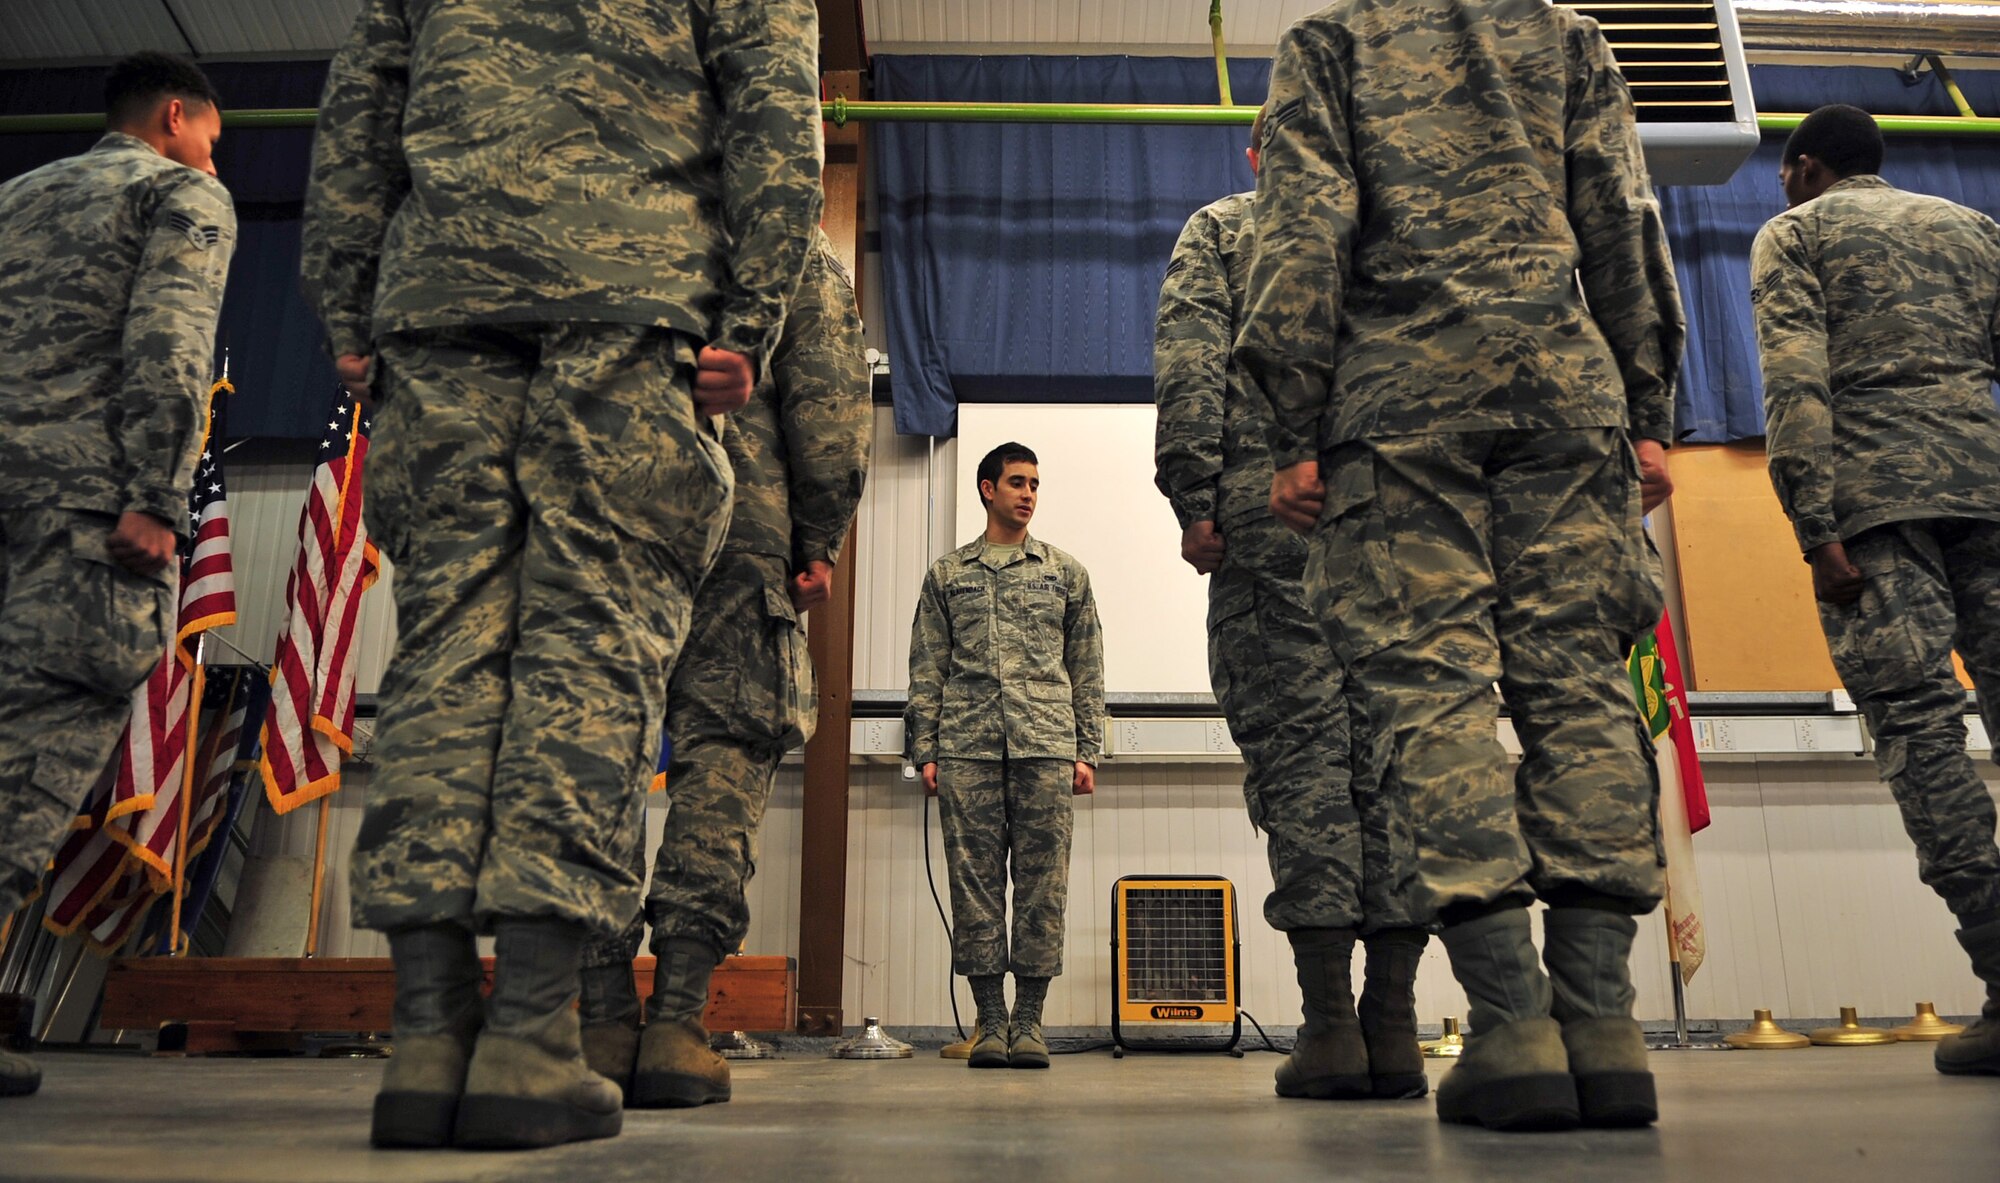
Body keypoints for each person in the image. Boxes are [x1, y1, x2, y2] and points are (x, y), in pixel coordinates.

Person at [300, 0, 823, 1151]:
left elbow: (356, 116)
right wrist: (752, 318)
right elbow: (775, 114)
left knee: (440, 653)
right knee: (591, 653)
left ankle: (429, 1034)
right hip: (632, 305)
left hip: (438, 306)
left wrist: (352, 309)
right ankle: (533, 1035)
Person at [1235, 0, 1685, 1132]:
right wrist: (1643, 406)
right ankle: (1604, 1027)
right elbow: (1623, 220)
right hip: (1565, 393)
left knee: (1431, 698)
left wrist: (1291, 426)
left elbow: (1299, 236)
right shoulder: (1568, 35)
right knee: (1579, 689)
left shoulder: (1330, 45)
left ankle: (1511, 1026)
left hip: (1399, 406)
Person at [1153, 107, 1427, 1102]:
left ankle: (1328, 1028)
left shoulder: (1224, 230)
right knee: (1389, 769)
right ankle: (1392, 1027)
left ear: (1255, 152)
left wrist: (1191, 497)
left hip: (1271, 524)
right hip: (1393, 534)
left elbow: (1188, 367)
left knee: (1301, 763)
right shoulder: (1387, 242)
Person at [575, 226, 871, 1107]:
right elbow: (828, 403)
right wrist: (819, 537)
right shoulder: (787, 243)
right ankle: (674, 1023)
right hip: (739, 521)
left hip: (599, 522)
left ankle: (596, 1019)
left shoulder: (611, 201)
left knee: (596, 756)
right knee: (728, 755)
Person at [0, 52, 234, 1101]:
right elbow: (170, 341)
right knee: (35, 753)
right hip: (86, 512)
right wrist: (157, 494)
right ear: (175, 117)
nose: (213, 155)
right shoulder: (177, 193)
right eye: (213, 137)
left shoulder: (19, 195)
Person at [1750, 103, 2000, 1078]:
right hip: (1985, 493)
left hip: (1873, 505)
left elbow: (1791, 381)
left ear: (1803, 166)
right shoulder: (1970, 227)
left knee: (1917, 727)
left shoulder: (1796, 233)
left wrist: (1811, 525)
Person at [906, 443, 1105, 1070]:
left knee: (1043, 891)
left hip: (1046, 746)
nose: (1028, 494)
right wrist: (925, 748)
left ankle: (1029, 1024)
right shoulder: (948, 575)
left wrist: (1087, 749)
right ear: (987, 489)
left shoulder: (1064, 573)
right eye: (1017, 483)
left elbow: (1088, 665)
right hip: (966, 749)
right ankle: (990, 1021)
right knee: (976, 890)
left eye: (1036, 485)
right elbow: (927, 667)